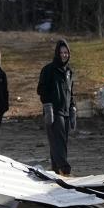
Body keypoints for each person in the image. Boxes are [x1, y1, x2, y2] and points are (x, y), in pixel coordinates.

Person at [37, 39, 75, 175]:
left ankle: (55, 170)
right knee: (59, 141)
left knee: (59, 141)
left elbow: (71, 92)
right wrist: (48, 107)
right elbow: (41, 89)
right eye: (61, 52)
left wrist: (72, 109)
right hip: (54, 111)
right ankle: (65, 169)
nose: (64, 55)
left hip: (65, 112)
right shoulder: (49, 70)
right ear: (57, 54)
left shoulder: (69, 71)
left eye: (66, 52)